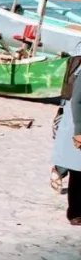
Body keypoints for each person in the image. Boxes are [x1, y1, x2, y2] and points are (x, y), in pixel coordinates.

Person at [51, 55, 81, 225]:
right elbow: (77, 101)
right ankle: (75, 213)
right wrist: (79, 131)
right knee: (78, 170)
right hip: (78, 124)